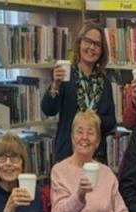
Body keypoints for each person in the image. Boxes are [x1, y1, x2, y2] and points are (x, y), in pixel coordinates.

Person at [50, 111, 130, 212]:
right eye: (79, 132)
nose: (84, 137)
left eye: (90, 133)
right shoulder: (59, 171)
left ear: (98, 141)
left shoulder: (106, 172)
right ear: (72, 137)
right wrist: (79, 195)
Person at [41, 22, 116, 164]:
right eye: (87, 41)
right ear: (79, 43)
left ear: (102, 50)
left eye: (97, 44)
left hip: (96, 157)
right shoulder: (65, 75)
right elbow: (48, 110)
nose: (92, 47)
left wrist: (93, 119)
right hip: (68, 154)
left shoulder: (105, 82)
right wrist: (55, 85)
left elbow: (111, 121)